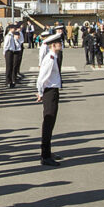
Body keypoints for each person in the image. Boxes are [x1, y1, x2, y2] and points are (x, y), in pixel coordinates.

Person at [36, 29, 64, 166]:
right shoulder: (50, 59)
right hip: (49, 92)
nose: (61, 44)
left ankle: (47, 151)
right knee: (48, 123)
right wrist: (40, 93)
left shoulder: (54, 57)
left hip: (52, 91)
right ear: (52, 45)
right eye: (58, 42)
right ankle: (45, 156)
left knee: (51, 123)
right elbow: (42, 79)